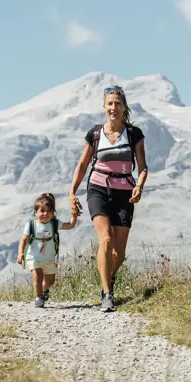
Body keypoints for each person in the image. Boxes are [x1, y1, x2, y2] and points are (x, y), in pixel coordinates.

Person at [69, 84, 148, 312]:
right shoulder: (94, 134)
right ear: (104, 107)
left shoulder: (134, 134)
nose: (114, 108)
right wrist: (72, 192)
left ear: (124, 107)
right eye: (110, 104)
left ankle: (108, 277)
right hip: (98, 189)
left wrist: (139, 186)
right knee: (104, 239)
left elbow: (142, 168)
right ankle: (106, 293)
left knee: (119, 253)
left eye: (118, 104)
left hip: (125, 192)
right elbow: (83, 165)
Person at [16, 192, 79, 308]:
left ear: (53, 213)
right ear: (36, 213)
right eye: (42, 211)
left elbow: (69, 225)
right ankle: (39, 297)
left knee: (50, 281)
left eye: (49, 211)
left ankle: (44, 290)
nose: (45, 214)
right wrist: (20, 253)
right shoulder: (31, 224)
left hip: (49, 258)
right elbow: (24, 239)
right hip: (33, 257)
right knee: (37, 276)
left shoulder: (54, 224)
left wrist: (74, 216)